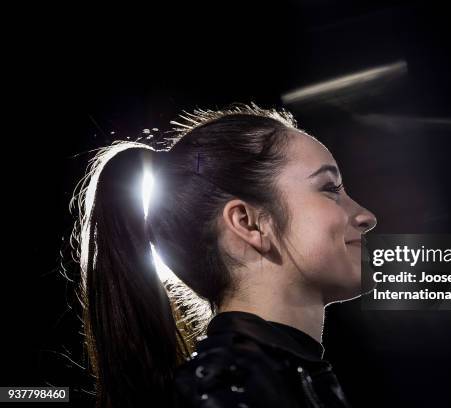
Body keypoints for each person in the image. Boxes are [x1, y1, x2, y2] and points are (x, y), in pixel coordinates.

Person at [73, 103, 377, 407]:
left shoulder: (266, 381)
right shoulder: (228, 393)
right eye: (329, 188)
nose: (367, 217)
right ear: (248, 222)